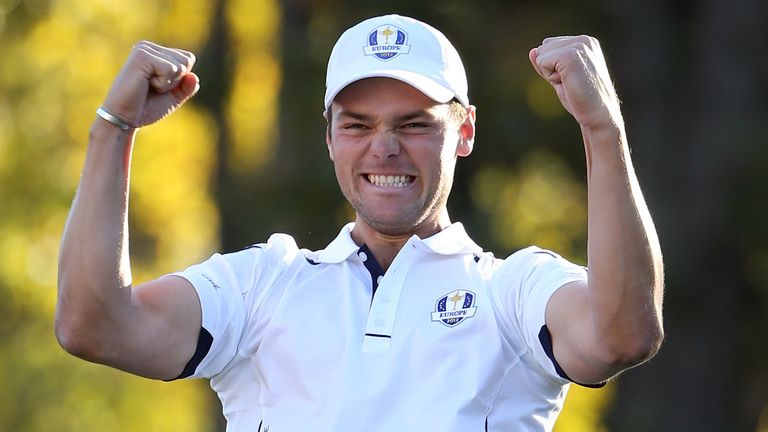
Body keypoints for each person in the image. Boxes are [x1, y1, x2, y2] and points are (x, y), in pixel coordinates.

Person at [56, 14, 664, 431]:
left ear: (464, 132)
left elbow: (622, 336)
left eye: (414, 123)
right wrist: (113, 129)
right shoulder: (262, 283)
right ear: (329, 137)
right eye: (358, 124)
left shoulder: (514, 289)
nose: (385, 148)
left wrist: (602, 131)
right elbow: (95, 326)